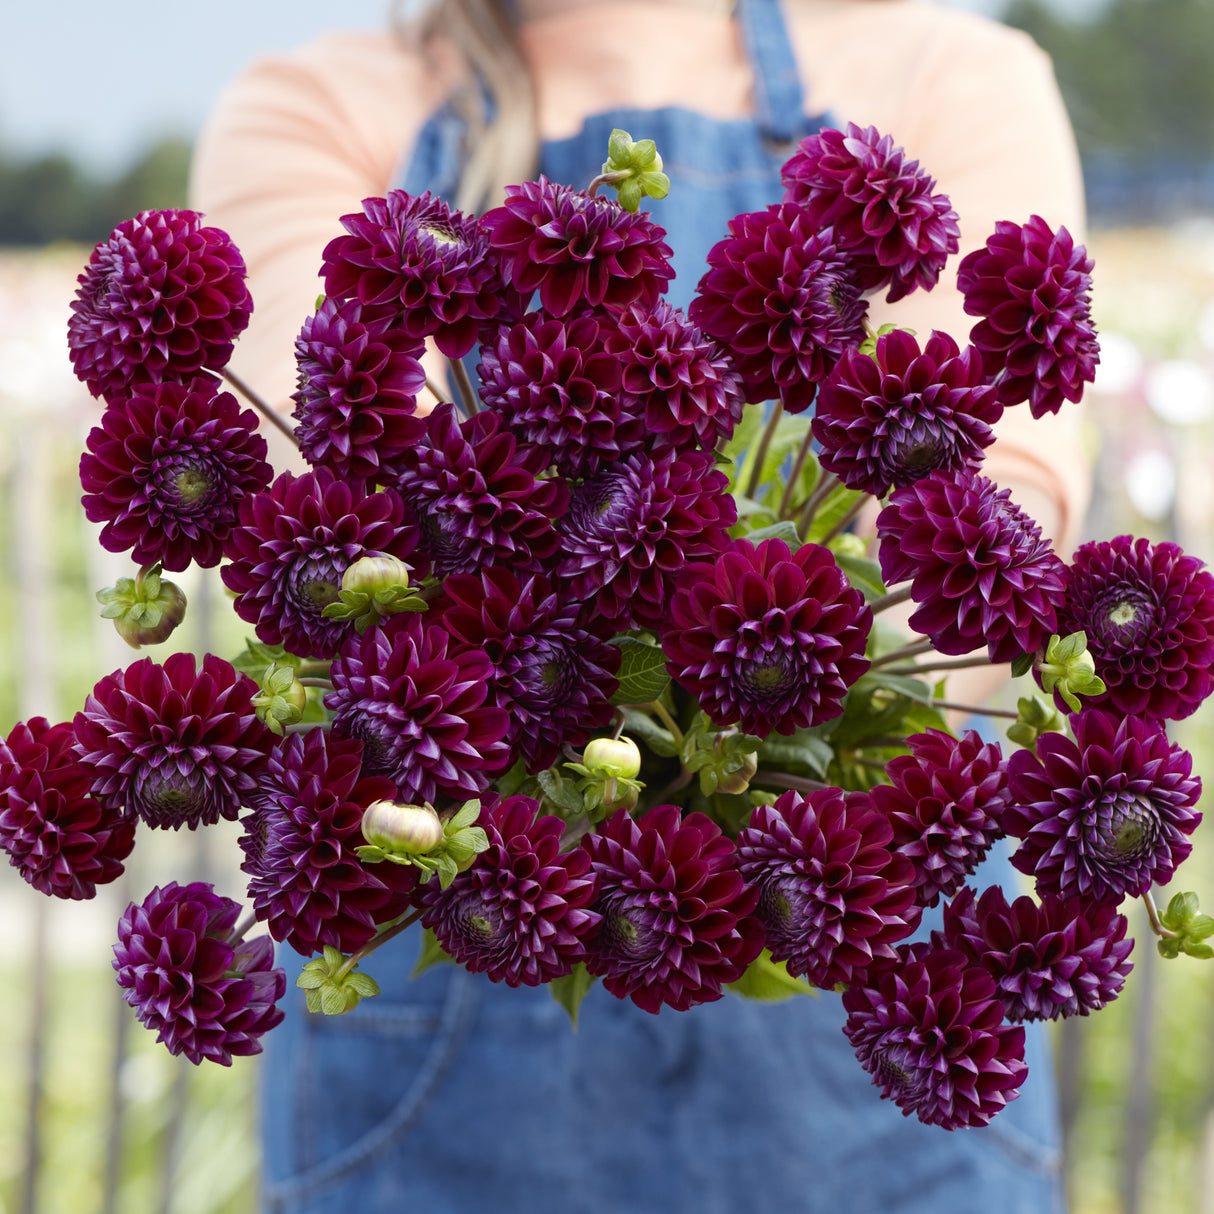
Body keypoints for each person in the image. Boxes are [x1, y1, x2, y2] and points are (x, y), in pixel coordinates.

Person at [191, 2, 1091, 1210]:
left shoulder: (946, 70)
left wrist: (772, 701)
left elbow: (986, 504)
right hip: (453, 1095)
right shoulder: (316, 106)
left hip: (865, 1050)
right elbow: (346, 470)